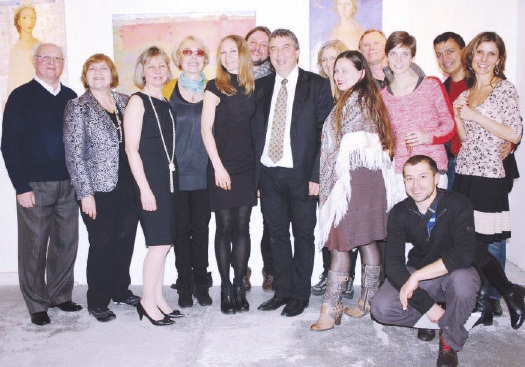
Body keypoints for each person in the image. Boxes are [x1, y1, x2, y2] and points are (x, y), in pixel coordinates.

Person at [310, 50, 396, 331]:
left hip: (352, 183)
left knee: (340, 243)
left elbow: (350, 147)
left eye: (345, 70)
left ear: (361, 73)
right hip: (364, 181)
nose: (338, 75)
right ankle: (367, 302)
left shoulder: (357, 100)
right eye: (336, 70)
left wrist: (335, 188)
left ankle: (330, 309)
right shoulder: (360, 97)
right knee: (367, 240)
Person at [371, 155, 481, 367]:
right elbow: (393, 264)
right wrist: (427, 305)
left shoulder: (458, 203)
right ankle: (442, 318)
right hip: (421, 272)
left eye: (422, 176)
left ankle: (449, 341)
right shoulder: (400, 212)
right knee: (381, 308)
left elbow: (463, 253)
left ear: (436, 178)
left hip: (455, 271)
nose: (416, 185)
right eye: (409, 178)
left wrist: (417, 277)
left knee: (463, 283)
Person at [1, 43, 81, 326]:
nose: (51, 62)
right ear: (34, 61)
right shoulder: (21, 96)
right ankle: (37, 303)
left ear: (62, 63)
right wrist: (21, 187)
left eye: (56, 58)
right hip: (35, 186)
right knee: (34, 248)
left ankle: (60, 295)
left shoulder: (71, 97)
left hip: (69, 185)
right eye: (45, 57)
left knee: (66, 243)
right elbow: (8, 145)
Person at [255, 29, 333, 317]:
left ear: (297, 51)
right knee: (276, 235)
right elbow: (254, 134)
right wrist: (256, 179)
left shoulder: (317, 85)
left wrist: (317, 176)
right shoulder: (261, 86)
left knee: (303, 236)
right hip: (269, 173)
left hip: (302, 175)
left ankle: (300, 294)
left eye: (285, 47)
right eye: (273, 48)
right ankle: (283, 291)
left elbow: (327, 134)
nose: (279, 53)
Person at [452, 31, 524, 330]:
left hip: (490, 174)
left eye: (490, 54)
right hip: (466, 171)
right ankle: (494, 299)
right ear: (471, 56)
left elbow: (514, 133)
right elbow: (467, 139)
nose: (483, 59)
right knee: (467, 241)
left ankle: (505, 294)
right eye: (479, 52)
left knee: (481, 242)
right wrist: (459, 114)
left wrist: (474, 115)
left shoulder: (505, 89)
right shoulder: (467, 92)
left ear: (499, 59)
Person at [64, 54, 140, 322]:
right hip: (98, 190)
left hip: (128, 185)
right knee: (101, 243)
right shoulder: (77, 107)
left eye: (103, 68)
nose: (98, 73)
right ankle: (97, 300)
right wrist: (85, 194)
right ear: (85, 76)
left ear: (112, 74)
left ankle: (120, 290)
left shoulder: (126, 101)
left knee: (124, 241)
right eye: (92, 69)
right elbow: (74, 155)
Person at [201, 35, 257, 314]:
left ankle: (238, 284)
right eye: (222, 52)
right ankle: (225, 288)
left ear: (242, 53)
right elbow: (205, 130)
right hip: (221, 165)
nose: (227, 57)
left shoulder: (254, 86)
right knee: (224, 227)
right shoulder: (214, 87)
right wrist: (218, 167)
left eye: (232, 51)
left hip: (248, 166)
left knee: (243, 226)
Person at [124, 46, 180, 326]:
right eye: (151, 67)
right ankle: (146, 301)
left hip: (168, 179)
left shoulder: (165, 101)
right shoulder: (137, 101)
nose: (157, 71)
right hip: (151, 182)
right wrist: (145, 189)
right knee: (158, 244)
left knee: (165, 242)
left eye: (161, 66)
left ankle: (157, 297)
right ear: (142, 71)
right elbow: (131, 150)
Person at [162, 36, 213, 309]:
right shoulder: (168, 89)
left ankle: (201, 283)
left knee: (202, 230)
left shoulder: (215, 89)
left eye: (199, 52)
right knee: (181, 231)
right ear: (178, 58)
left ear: (205, 58)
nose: (193, 57)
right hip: (177, 173)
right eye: (187, 52)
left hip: (205, 172)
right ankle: (183, 283)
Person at [380, 31, 455, 199]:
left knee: (434, 224)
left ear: (412, 56)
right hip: (401, 174)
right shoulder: (382, 96)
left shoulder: (431, 85)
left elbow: (450, 125)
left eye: (405, 53)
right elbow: (384, 136)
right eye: (393, 54)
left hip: (432, 169)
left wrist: (427, 137)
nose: (399, 60)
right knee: (405, 224)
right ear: (387, 57)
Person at [311, 39, 355, 300]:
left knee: (350, 225)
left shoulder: (350, 91)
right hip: (324, 169)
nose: (330, 64)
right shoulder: (318, 90)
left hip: (347, 170)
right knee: (328, 224)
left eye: (334, 59)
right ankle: (330, 274)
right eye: (325, 59)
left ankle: (347, 278)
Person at [245, 25, 273, 292]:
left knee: (271, 219)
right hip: (239, 159)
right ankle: (241, 269)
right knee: (238, 219)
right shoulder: (231, 77)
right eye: (253, 42)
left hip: (267, 159)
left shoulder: (277, 79)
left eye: (264, 44)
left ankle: (271, 270)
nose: (257, 47)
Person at [358, 29, 426, 89]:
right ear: (360, 50)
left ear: (386, 46)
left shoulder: (411, 68)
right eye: (366, 45)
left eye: (376, 43)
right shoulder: (360, 83)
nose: (371, 48)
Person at [7, 5, 40, 96]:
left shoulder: (40, 46)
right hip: (23, 97)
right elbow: (12, 81)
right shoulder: (15, 50)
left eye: (32, 17)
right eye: (25, 18)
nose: (29, 21)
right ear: (19, 22)